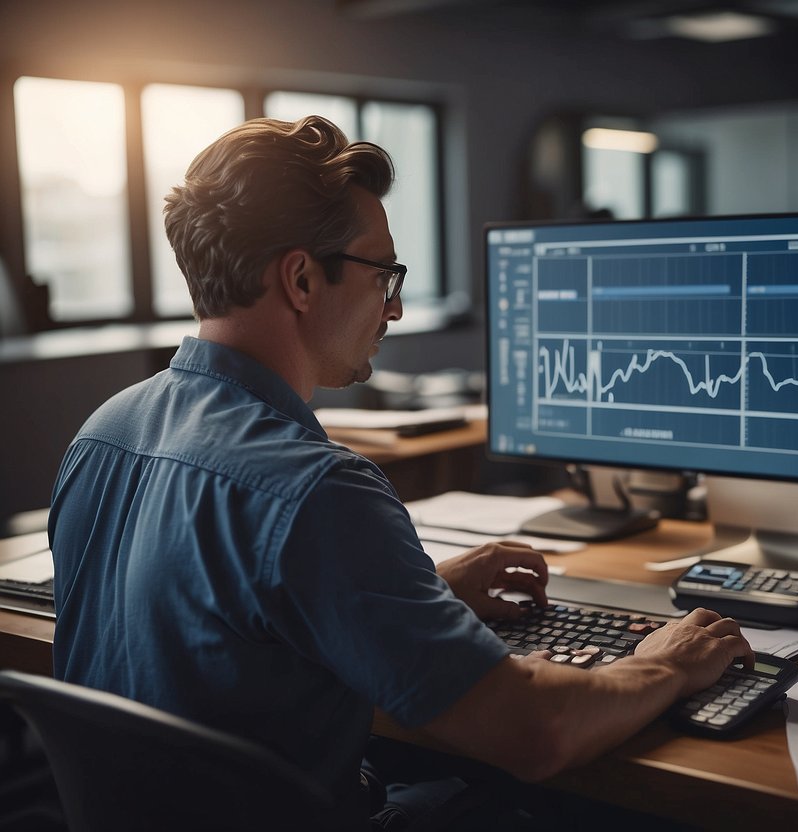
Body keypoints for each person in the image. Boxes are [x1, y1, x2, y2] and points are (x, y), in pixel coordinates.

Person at [48, 115, 752, 828]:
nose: (396, 304)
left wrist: (424, 595)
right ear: (299, 278)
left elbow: (221, 632)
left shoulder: (102, 434)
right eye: (382, 272)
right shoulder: (316, 490)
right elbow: (536, 734)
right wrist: (666, 663)